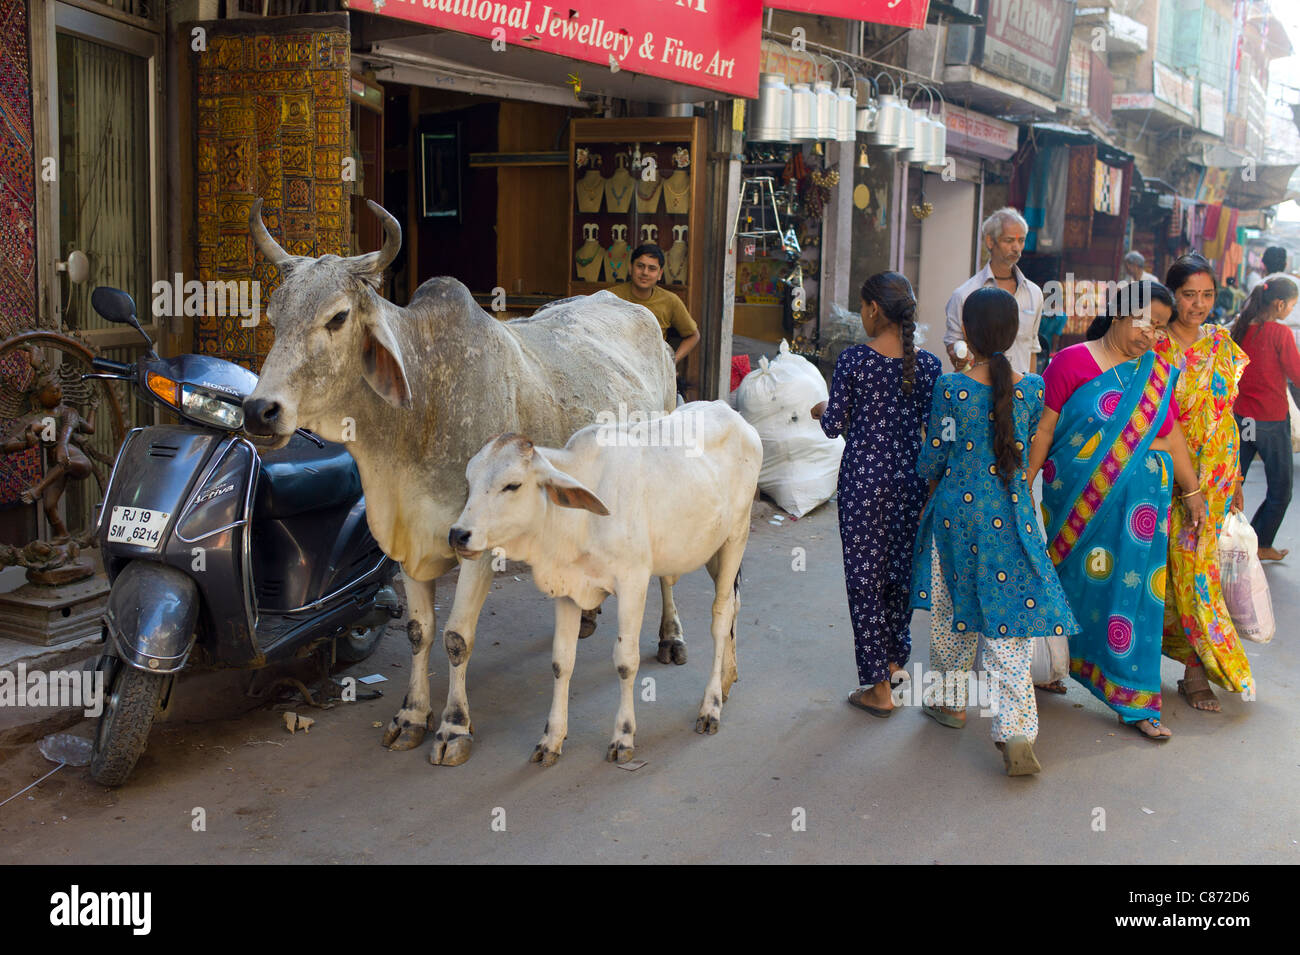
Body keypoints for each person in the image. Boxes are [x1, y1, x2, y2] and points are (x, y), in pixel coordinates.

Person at [1026, 280, 1207, 742]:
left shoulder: (1153, 375)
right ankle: (1050, 663)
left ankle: (1135, 698)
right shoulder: (1071, 362)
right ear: (1120, 312)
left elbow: (1171, 437)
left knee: (1133, 600)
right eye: (1145, 322)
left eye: (1160, 328)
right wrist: (1020, 482)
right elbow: (1045, 429)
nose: (1151, 336)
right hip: (1072, 507)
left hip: (1137, 524)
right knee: (1064, 584)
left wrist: (1191, 492)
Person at [911, 288, 1078, 776]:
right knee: (1011, 629)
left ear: (966, 332)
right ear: (1012, 332)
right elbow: (1024, 453)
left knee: (953, 614)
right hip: (1013, 517)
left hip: (957, 520)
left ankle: (950, 703)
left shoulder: (951, 388)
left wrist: (932, 469)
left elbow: (934, 458)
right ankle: (1018, 730)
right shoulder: (1032, 389)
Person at [811, 272, 942, 718]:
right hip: (910, 483)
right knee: (899, 577)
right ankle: (893, 661)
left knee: (865, 580)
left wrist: (821, 410)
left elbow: (833, 426)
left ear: (872, 310)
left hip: (864, 485)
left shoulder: (853, 361)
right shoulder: (927, 366)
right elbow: (934, 435)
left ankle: (879, 688)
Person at [1151, 255, 1254, 712]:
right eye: (1189, 294)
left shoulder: (1221, 343)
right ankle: (1132, 670)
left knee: (1198, 574)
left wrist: (1234, 479)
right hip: (1165, 477)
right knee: (1160, 576)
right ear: (1172, 295)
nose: (1199, 304)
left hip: (1214, 478)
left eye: (1207, 295)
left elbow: (1226, 414)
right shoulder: (1156, 347)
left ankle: (1197, 672)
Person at [1233, 274, 1300, 563]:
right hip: (1270, 422)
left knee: (1233, 481)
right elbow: (1297, 375)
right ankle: (1260, 542)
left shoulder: (1240, 328)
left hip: (1242, 419)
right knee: (1281, 489)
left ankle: (1217, 538)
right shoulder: (1280, 334)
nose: (1292, 311)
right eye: (1293, 305)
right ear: (1281, 304)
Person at [945, 208, 1044, 376]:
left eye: (1021, 240)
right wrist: (958, 354)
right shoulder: (965, 294)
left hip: (1018, 392)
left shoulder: (1033, 293)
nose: (1016, 248)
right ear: (990, 242)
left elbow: (1032, 349)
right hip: (978, 391)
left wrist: (1031, 390)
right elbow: (953, 344)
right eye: (1009, 240)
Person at [608, 244, 700, 365]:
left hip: (652, 369)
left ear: (660, 273)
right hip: (616, 366)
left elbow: (693, 336)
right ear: (630, 268)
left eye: (652, 268)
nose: (645, 272)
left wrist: (671, 362)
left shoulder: (670, 301)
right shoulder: (610, 297)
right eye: (640, 266)